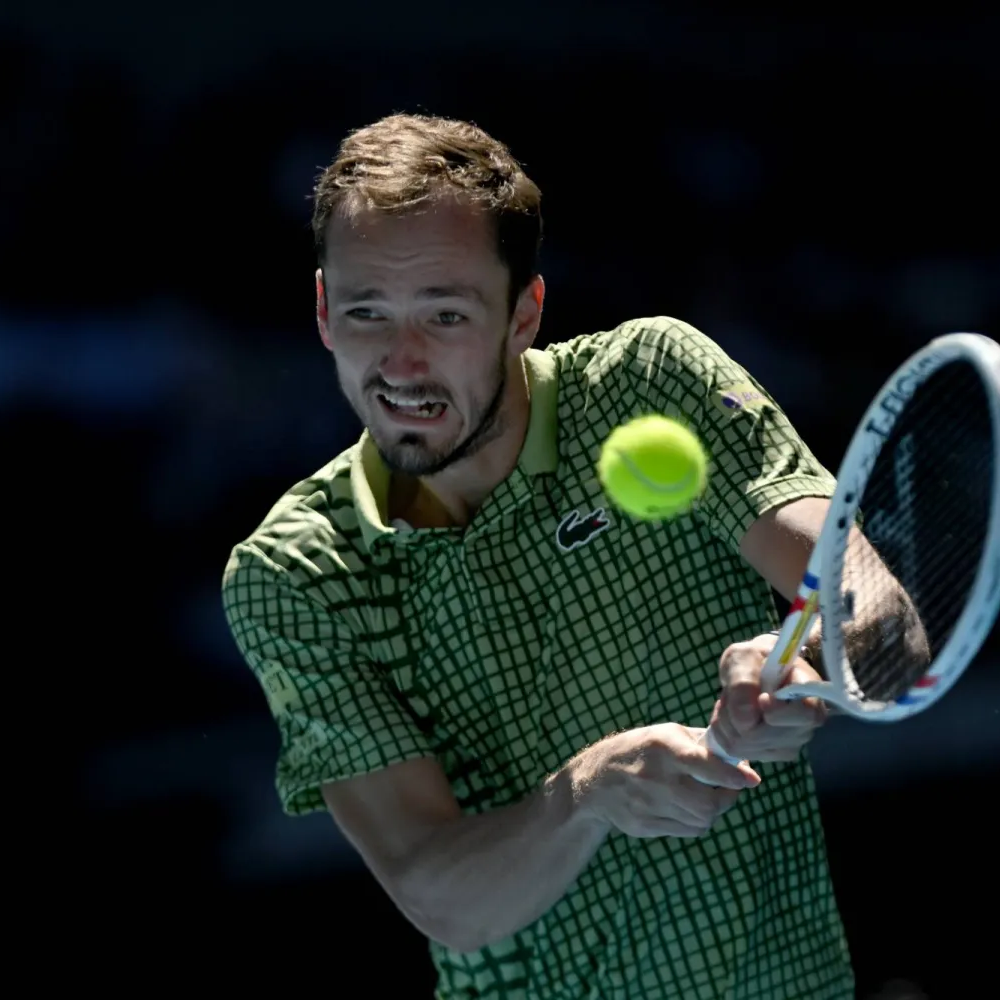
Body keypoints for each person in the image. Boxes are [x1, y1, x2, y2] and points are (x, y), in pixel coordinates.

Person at [223, 113, 853, 999]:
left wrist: (803, 662)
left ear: (525, 314)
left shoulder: (650, 383)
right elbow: (444, 895)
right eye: (368, 312)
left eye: (445, 313)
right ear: (326, 310)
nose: (400, 362)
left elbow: (865, 595)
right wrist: (588, 791)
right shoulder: (297, 574)